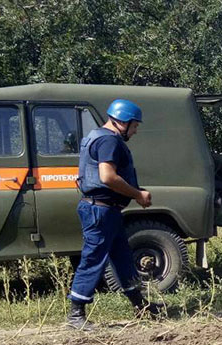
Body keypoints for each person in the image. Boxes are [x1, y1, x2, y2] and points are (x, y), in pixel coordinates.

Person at [66, 99, 162, 329]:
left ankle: (140, 305)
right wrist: (138, 194)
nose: (136, 131)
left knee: (122, 257)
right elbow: (107, 177)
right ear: (122, 122)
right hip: (100, 210)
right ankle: (76, 314)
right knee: (94, 258)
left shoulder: (97, 137)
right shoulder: (109, 141)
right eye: (135, 125)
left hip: (107, 209)